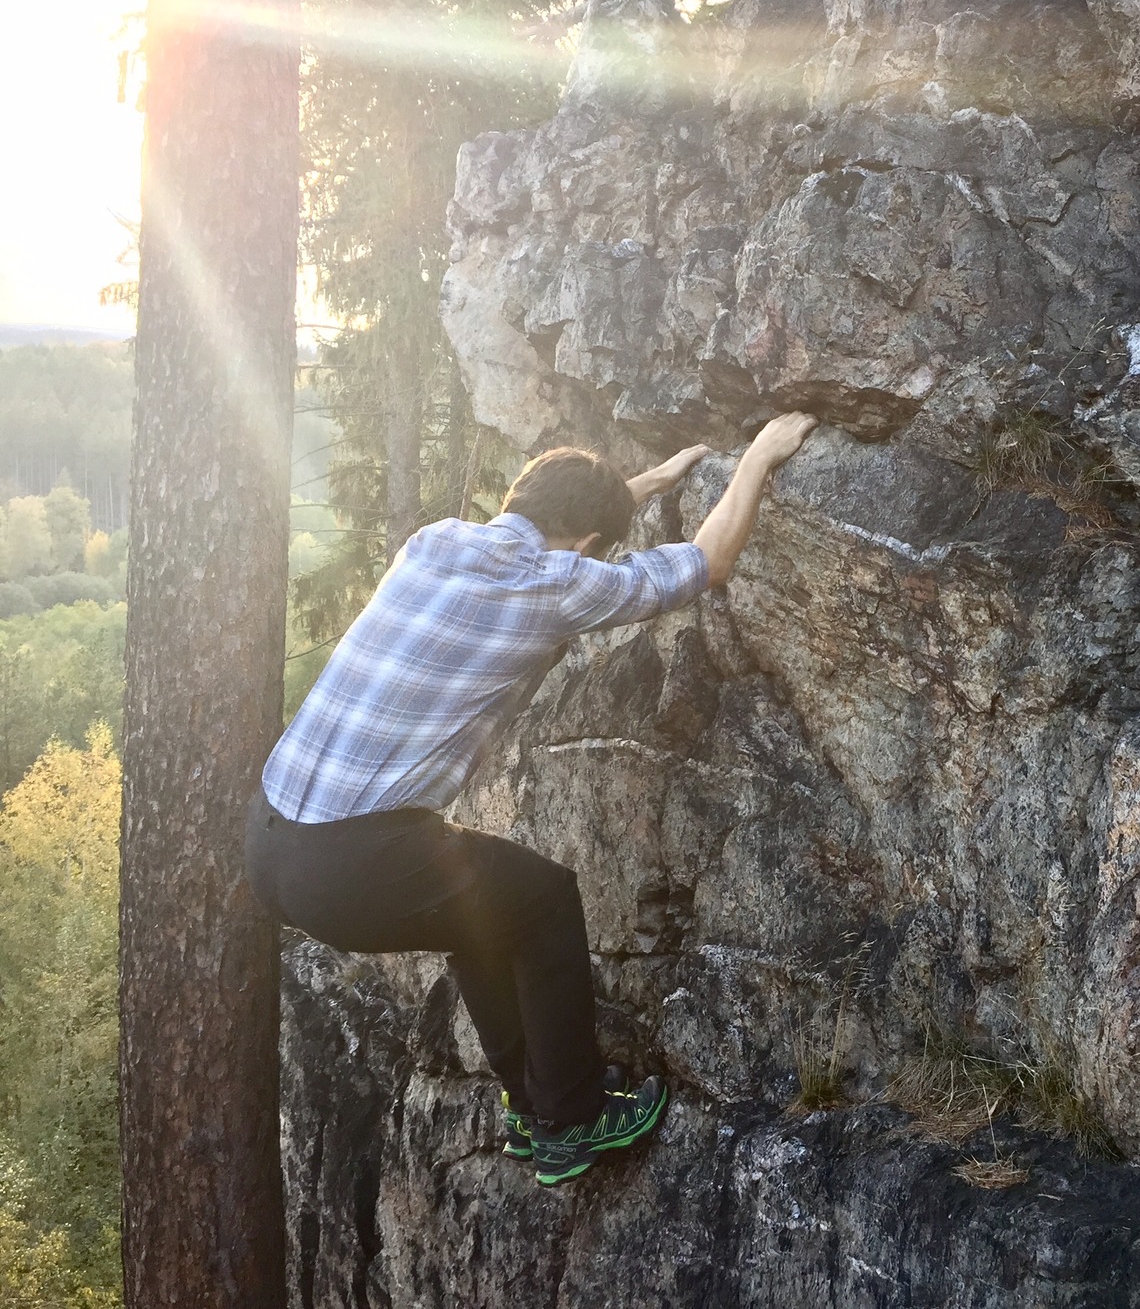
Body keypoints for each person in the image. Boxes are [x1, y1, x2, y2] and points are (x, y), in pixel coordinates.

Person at [246, 412, 819, 1187]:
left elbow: (549, 523)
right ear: (584, 545)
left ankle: (534, 1104)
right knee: (545, 900)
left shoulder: (437, 541)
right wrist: (757, 458)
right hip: (354, 862)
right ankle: (571, 1121)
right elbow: (706, 564)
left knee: (481, 909)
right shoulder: (553, 584)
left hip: (271, 841)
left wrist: (641, 486)